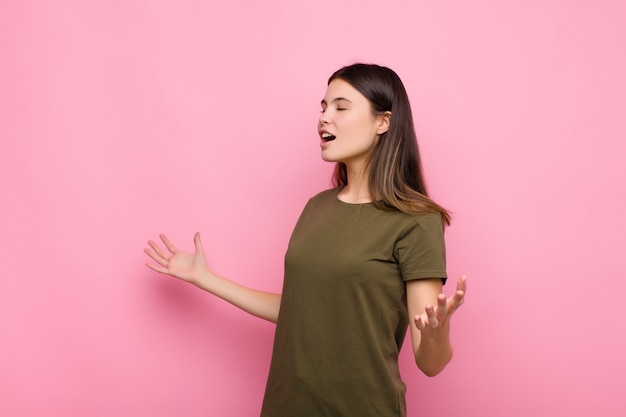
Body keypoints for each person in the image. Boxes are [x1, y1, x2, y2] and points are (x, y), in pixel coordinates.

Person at [144, 63, 466, 417]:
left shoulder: (417, 220)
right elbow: (303, 309)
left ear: (383, 122)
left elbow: (431, 363)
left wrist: (437, 333)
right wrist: (205, 279)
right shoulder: (317, 208)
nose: (325, 118)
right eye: (324, 107)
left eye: (341, 107)